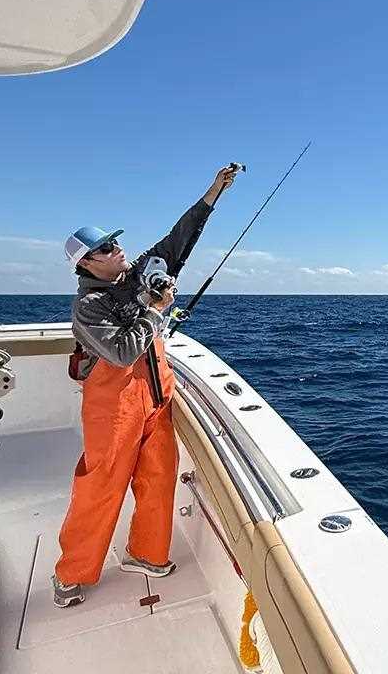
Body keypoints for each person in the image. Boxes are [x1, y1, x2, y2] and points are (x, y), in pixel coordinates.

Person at [52, 165, 239, 608]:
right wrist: (156, 312)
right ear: (86, 264)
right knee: (101, 488)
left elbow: (179, 238)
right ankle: (71, 574)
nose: (119, 250)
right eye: (106, 248)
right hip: (113, 407)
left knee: (158, 478)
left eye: (116, 243)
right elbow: (120, 353)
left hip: (157, 398)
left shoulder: (138, 275)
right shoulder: (88, 306)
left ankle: (146, 554)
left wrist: (214, 191)